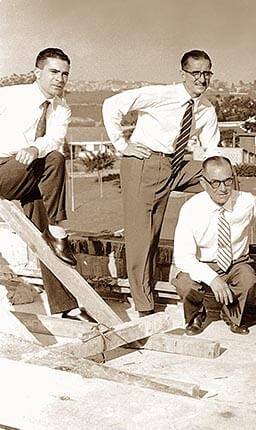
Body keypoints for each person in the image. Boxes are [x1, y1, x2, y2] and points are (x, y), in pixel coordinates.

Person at [103, 50, 221, 317]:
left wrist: (219, 177)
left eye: (207, 73)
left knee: (222, 176)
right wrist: (123, 146)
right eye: (196, 73)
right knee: (143, 238)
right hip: (144, 164)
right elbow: (111, 105)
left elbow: (213, 151)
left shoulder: (205, 109)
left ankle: (218, 244)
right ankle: (144, 304)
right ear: (183, 75)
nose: (201, 79)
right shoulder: (161, 94)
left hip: (175, 165)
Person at [0, 48, 88, 321]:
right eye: (54, 72)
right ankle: (58, 229)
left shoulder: (62, 108)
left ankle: (67, 306)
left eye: (65, 74)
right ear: (36, 72)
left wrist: (33, 148)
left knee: (47, 239)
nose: (60, 79)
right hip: (2, 168)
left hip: (30, 173)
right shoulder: (9, 95)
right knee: (55, 160)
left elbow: (54, 141)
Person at [171, 156, 256, 336]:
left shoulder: (248, 203)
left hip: (237, 262)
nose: (223, 188)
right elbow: (183, 257)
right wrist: (212, 278)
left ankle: (232, 316)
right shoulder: (191, 209)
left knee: (248, 280)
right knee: (185, 284)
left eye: (228, 181)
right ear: (203, 183)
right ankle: (196, 315)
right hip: (203, 263)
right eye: (215, 182)